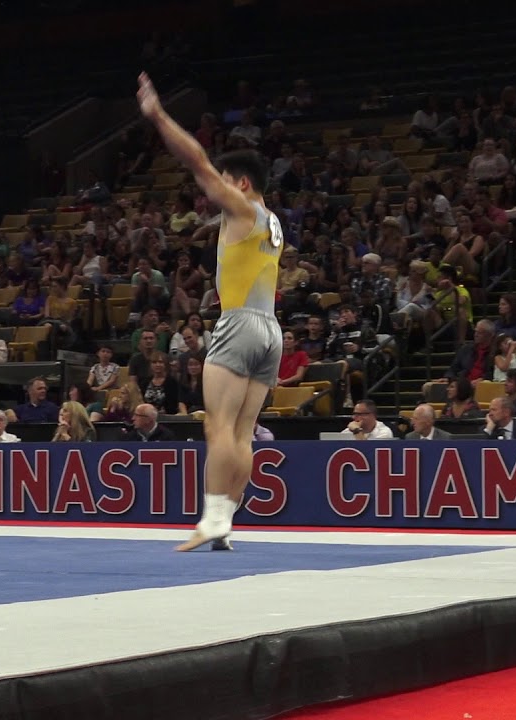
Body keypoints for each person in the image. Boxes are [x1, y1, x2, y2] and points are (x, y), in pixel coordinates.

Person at [139, 73, 284, 551]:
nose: (213, 190)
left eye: (224, 182)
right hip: (270, 331)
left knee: (216, 426)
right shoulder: (272, 221)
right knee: (242, 433)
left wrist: (158, 116)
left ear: (241, 183)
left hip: (239, 323)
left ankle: (212, 519)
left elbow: (196, 161)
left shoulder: (243, 208)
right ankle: (226, 523)